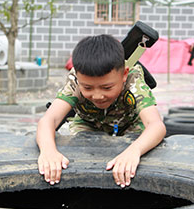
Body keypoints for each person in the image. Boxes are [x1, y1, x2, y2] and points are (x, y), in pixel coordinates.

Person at [36, 34, 166, 188]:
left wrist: (134, 151)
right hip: (88, 123)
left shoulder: (133, 80)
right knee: (80, 156)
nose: (98, 96)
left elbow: (156, 125)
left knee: (135, 157)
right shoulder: (75, 82)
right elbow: (48, 120)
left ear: (124, 74)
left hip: (129, 123)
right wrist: (48, 151)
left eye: (107, 87)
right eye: (88, 87)